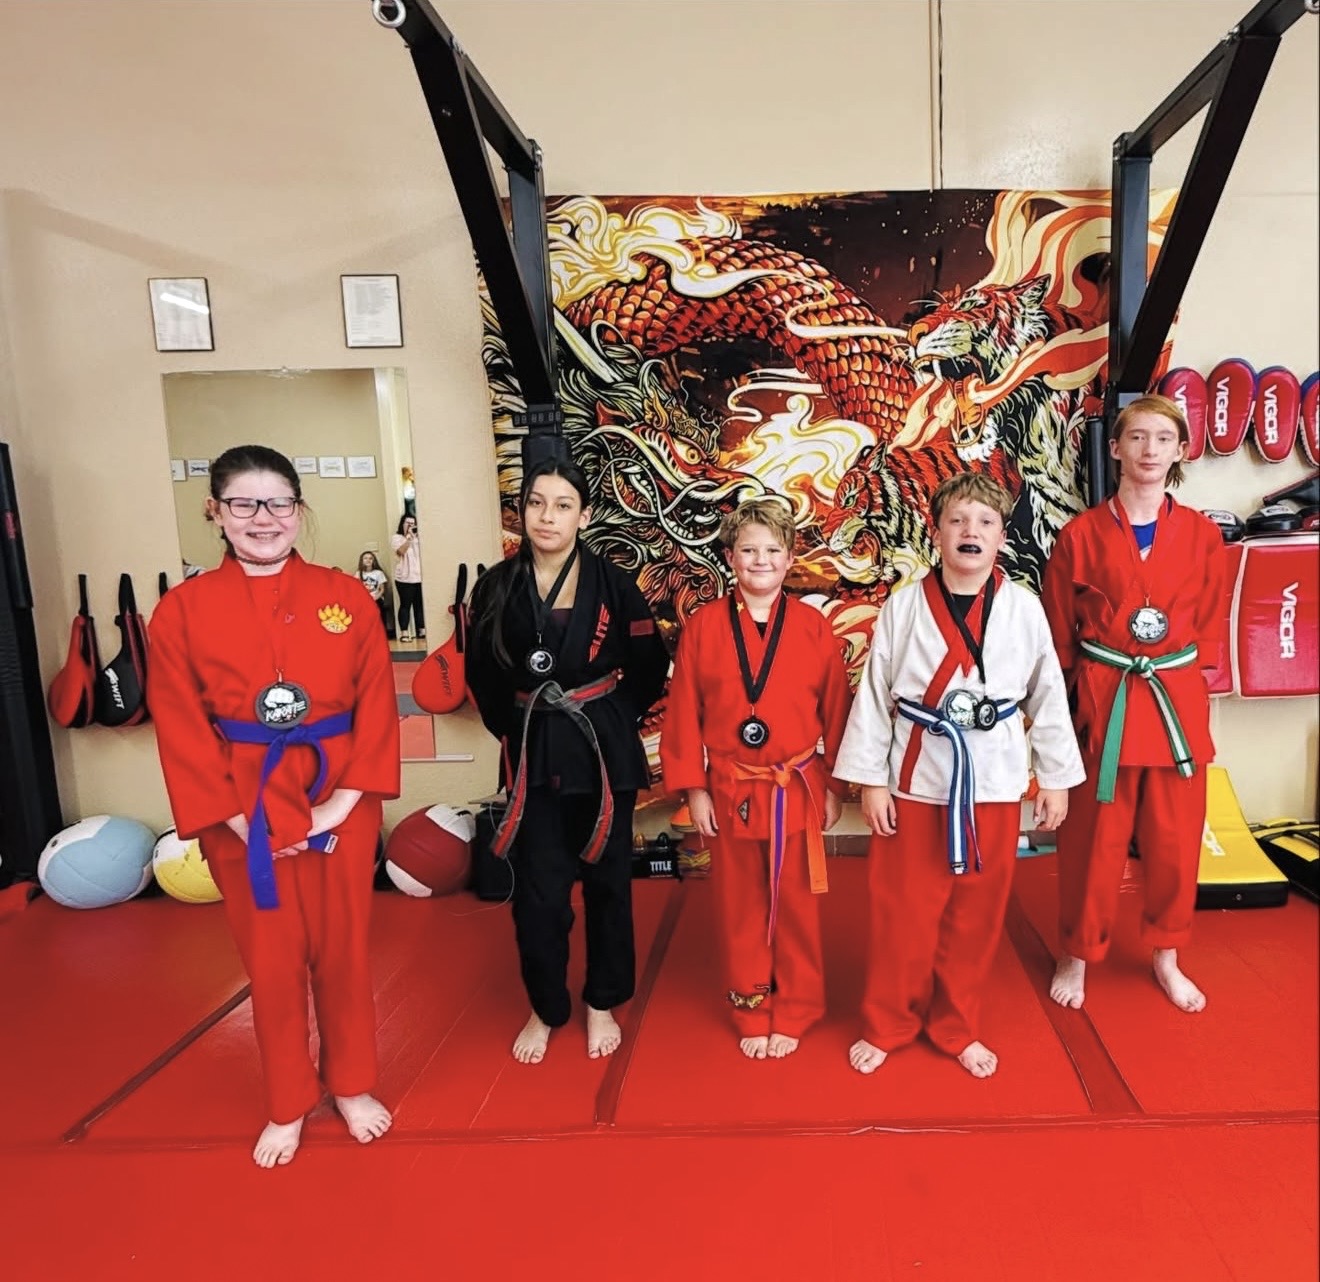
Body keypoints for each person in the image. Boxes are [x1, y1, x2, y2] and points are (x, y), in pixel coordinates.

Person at [148, 445, 401, 1168]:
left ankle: (351, 1084)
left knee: (344, 951)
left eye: (279, 503)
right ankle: (287, 1100)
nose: (264, 519)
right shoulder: (182, 610)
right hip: (240, 804)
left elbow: (377, 704)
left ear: (298, 509)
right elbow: (180, 725)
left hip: (338, 796)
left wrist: (342, 804)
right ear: (216, 512)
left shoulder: (346, 596)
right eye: (244, 504)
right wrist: (240, 818)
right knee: (272, 961)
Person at [834, 472, 1083, 1079]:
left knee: (975, 913)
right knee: (902, 912)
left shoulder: (1023, 608)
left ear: (1002, 537)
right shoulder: (903, 605)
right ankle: (888, 1022)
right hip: (916, 779)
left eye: (985, 522)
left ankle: (956, 1025)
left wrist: (1054, 777)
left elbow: (1048, 695)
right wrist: (871, 781)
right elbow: (874, 696)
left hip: (992, 780)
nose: (971, 531)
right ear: (937, 532)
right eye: (958, 520)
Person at [465, 457, 669, 1065]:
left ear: (584, 515)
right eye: (536, 503)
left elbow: (650, 665)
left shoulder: (613, 583)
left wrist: (610, 716)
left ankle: (602, 1000)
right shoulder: (496, 586)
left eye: (562, 505)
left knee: (609, 885)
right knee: (540, 894)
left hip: (602, 751)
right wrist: (521, 728)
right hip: (534, 749)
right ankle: (546, 1006)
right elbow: (483, 677)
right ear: (521, 510)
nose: (546, 517)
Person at [1042, 394, 1227, 1014]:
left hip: (1173, 706)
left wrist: (1191, 687)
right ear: (1115, 448)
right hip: (1106, 701)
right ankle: (1077, 951)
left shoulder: (1202, 534)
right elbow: (1059, 631)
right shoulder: (1079, 534)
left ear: (1181, 451)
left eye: (1163, 439)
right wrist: (1070, 709)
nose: (1150, 450)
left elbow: (1210, 621)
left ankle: (1167, 955)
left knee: (1175, 843)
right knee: (1092, 841)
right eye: (1138, 437)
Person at [660, 497, 851, 1059]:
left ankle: (799, 1006)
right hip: (730, 786)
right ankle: (750, 1004)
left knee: (796, 904)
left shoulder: (814, 627)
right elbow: (683, 711)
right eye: (748, 550)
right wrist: (695, 790)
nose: (760, 560)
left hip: (796, 785)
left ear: (790, 559)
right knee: (739, 905)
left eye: (772, 550)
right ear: (729, 557)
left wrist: (834, 787)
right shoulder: (703, 627)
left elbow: (838, 710)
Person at [390, 514, 425, 642]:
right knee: (405, 605)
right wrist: (409, 538)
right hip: (404, 578)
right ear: (402, 524)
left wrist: (415, 537)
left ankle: (422, 630)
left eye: (413, 523)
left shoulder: (419, 538)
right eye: (407, 523)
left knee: (419, 605)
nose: (410, 526)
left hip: (419, 577)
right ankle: (404, 633)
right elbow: (400, 552)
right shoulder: (397, 538)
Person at [357, 550, 393, 640]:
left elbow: (382, 589)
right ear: (362, 560)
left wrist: (375, 598)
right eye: (365, 558)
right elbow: (356, 589)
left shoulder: (378, 573)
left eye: (370, 558)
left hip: (376, 599)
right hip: (363, 600)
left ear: (374, 561)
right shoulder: (358, 573)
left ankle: (381, 635)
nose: (368, 560)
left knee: (378, 612)